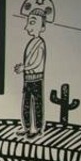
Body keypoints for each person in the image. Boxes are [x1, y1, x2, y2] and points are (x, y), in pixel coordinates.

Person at [14, 8, 48, 138]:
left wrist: (24, 68)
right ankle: (27, 127)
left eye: (32, 22)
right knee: (26, 104)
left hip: (36, 79)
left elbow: (37, 63)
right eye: (29, 22)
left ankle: (37, 129)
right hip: (27, 79)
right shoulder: (31, 42)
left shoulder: (40, 43)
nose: (28, 26)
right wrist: (23, 68)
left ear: (42, 27)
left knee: (37, 104)